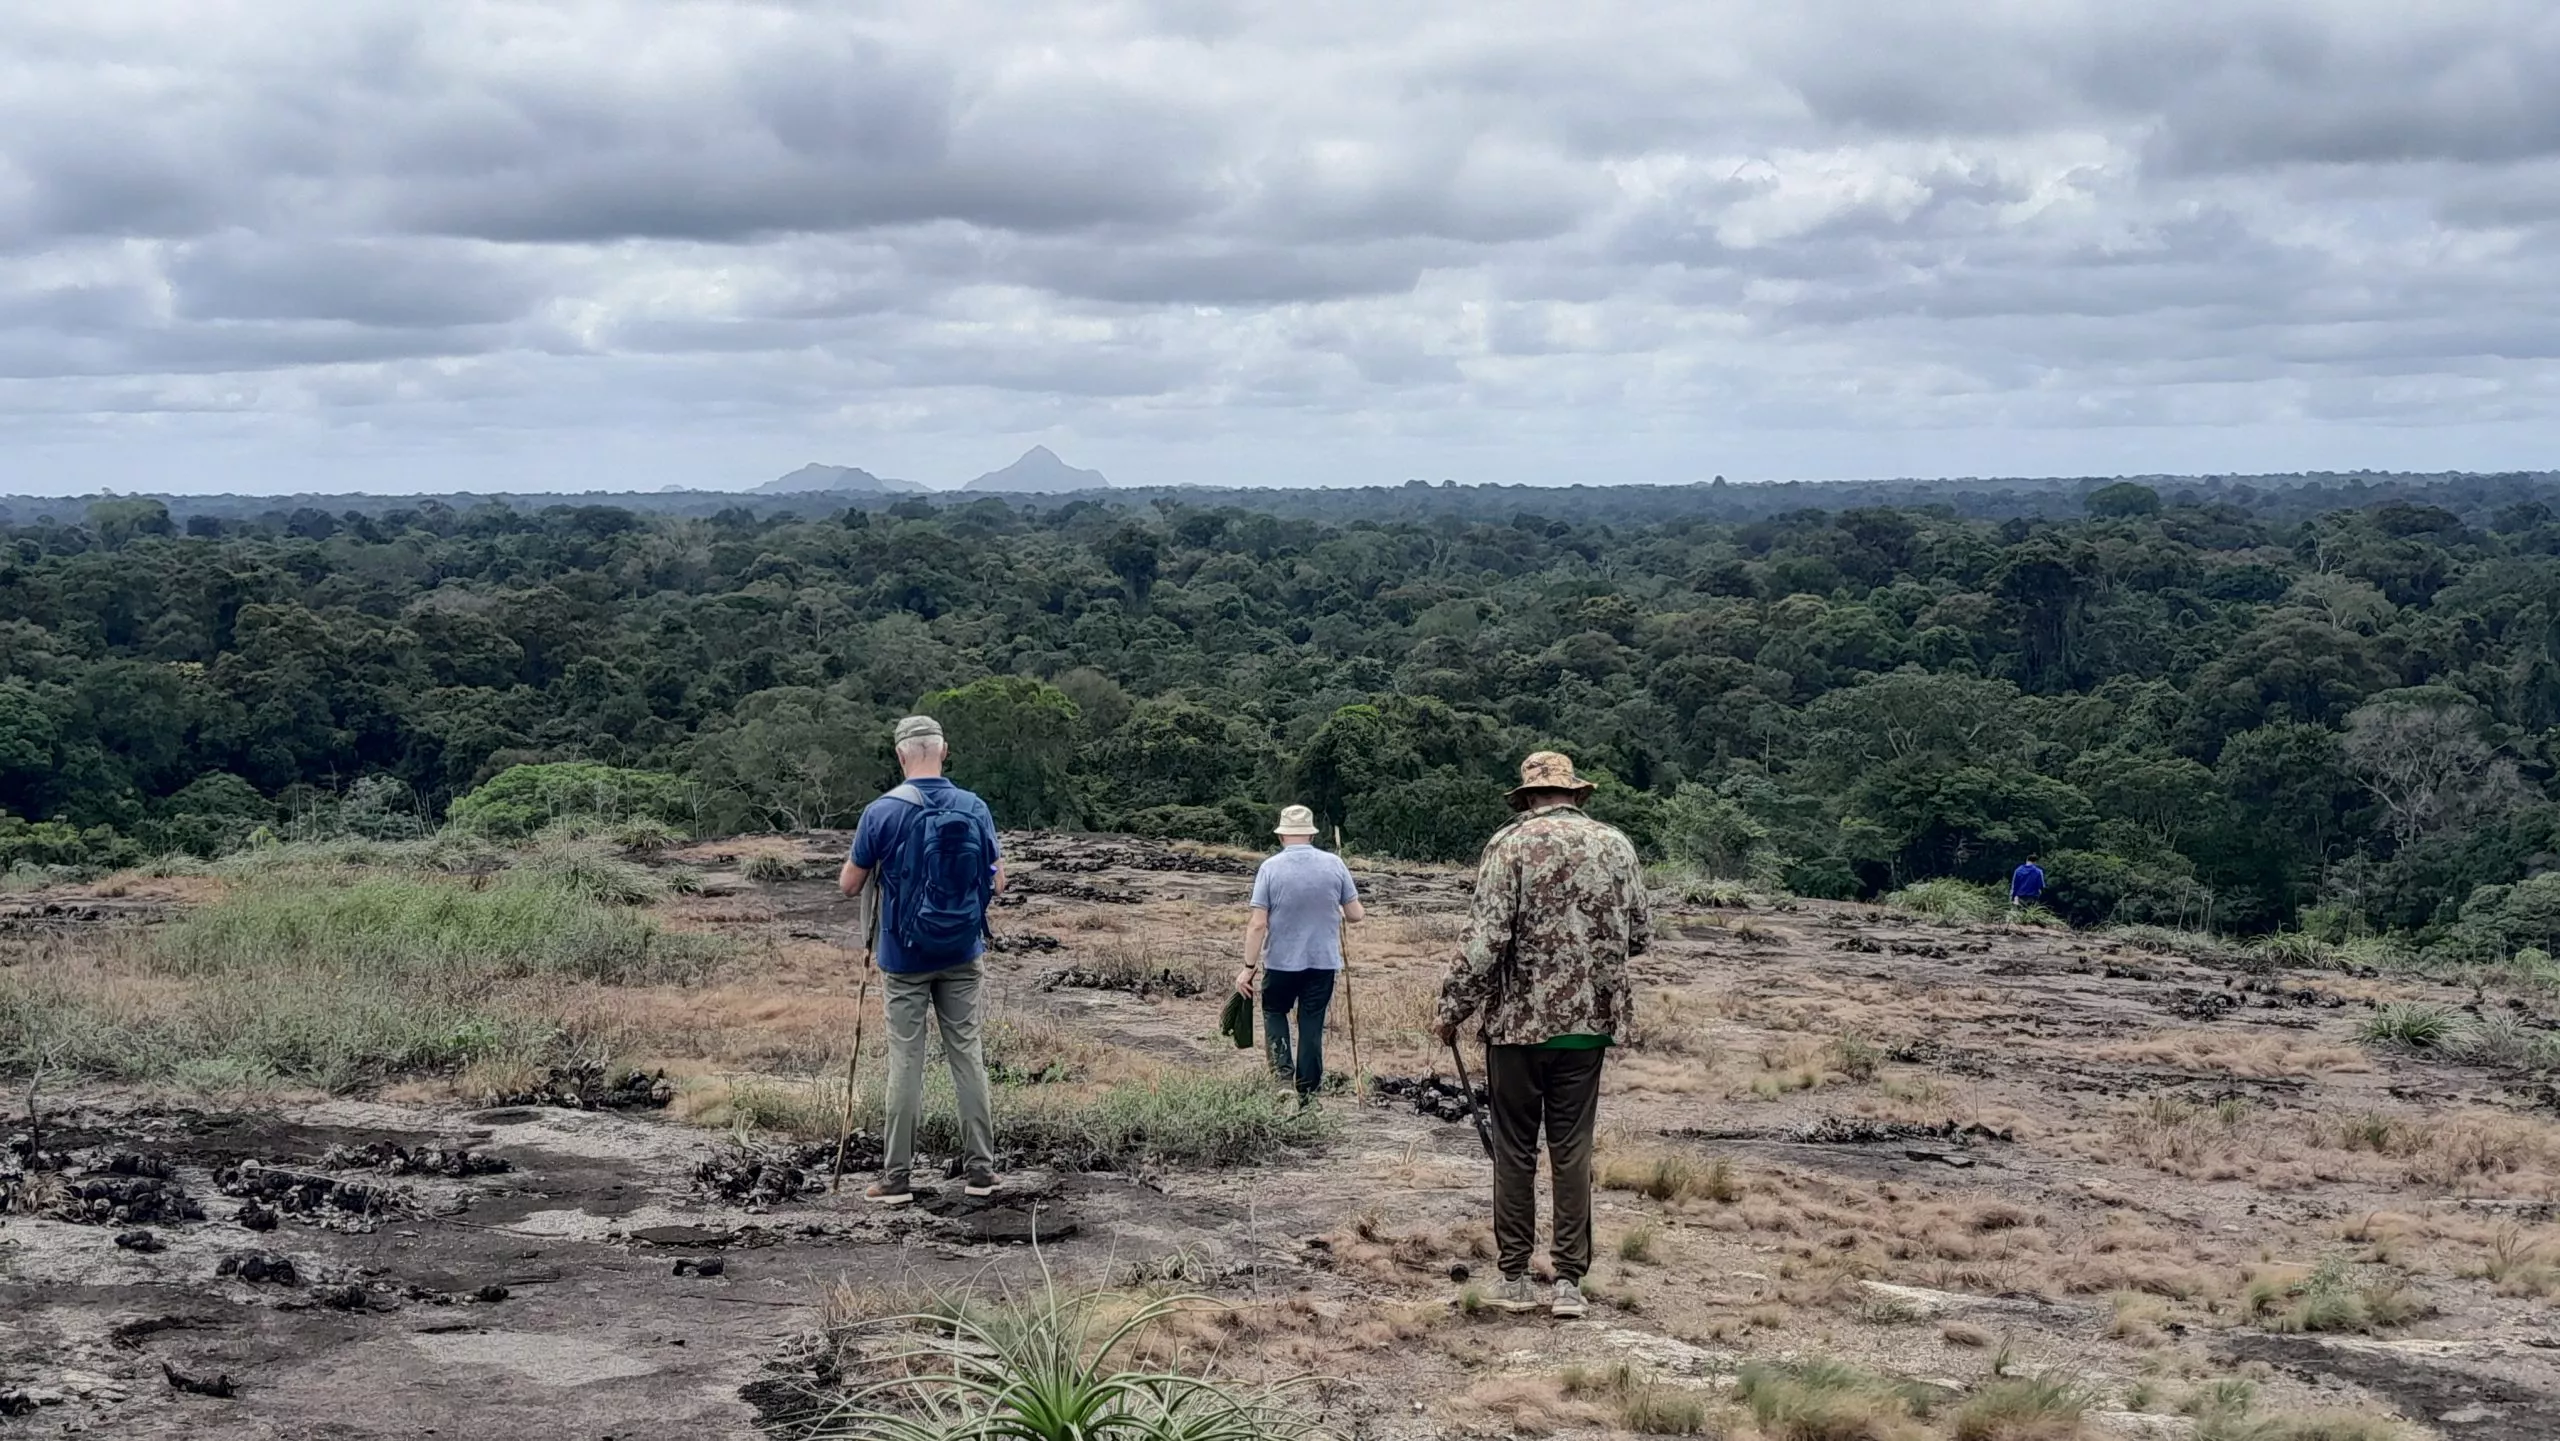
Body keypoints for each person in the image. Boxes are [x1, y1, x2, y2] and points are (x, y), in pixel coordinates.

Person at [1435, 751, 1650, 1319]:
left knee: (1514, 1150)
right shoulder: (1617, 846)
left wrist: (1451, 1009)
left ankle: (1513, 1276)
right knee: (1572, 1151)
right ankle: (1570, 1284)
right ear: (1575, 795)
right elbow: (1639, 936)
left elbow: (1485, 942)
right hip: (1587, 1027)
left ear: (1528, 796)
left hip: (1517, 1027)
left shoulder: (1508, 846)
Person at [838, 715, 1005, 1206]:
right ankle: (981, 1172)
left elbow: (849, 885)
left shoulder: (881, 812)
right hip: (962, 951)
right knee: (967, 1054)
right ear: (944, 751)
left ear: (900, 755)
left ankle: (896, 1178)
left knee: (906, 1060)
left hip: (903, 956)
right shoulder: (974, 807)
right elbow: (998, 881)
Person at [1232, 805, 1365, 1101]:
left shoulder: (1270, 868)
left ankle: (1281, 1080)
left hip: (1281, 962)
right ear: (1310, 834)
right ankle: (1308, 1091)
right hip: (1322, 963)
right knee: (1311, 1023)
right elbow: (1356, 914)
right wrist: (1338, 910)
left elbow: (1257, 924)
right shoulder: (1334, 864)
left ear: (1282, 836)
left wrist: (1248, 967)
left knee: (1274, 1011)